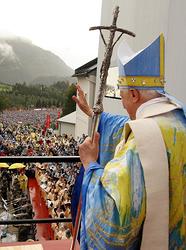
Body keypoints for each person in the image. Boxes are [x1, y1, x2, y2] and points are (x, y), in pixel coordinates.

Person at [72, 34, 186, 249]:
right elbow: (126, 124)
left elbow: (112, 219)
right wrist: (93, 114)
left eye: (122, 95)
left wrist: (90, 165)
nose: (122, 103)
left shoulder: (142, 142)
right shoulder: (178, 119)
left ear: (133, 94)